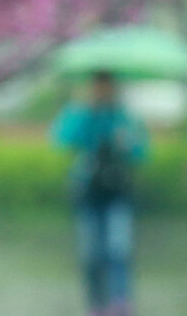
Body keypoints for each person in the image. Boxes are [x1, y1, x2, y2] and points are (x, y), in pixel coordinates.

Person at [51, 71, 148, 316]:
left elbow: (141, 152)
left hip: (117, 190)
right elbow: (62, 138)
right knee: (91, 252)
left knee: (118, 249)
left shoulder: (124, 117)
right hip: (88, 191)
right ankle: (96, 303)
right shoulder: (81, 114)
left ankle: (120, 301)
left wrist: (127, 142)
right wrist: (86, 116)